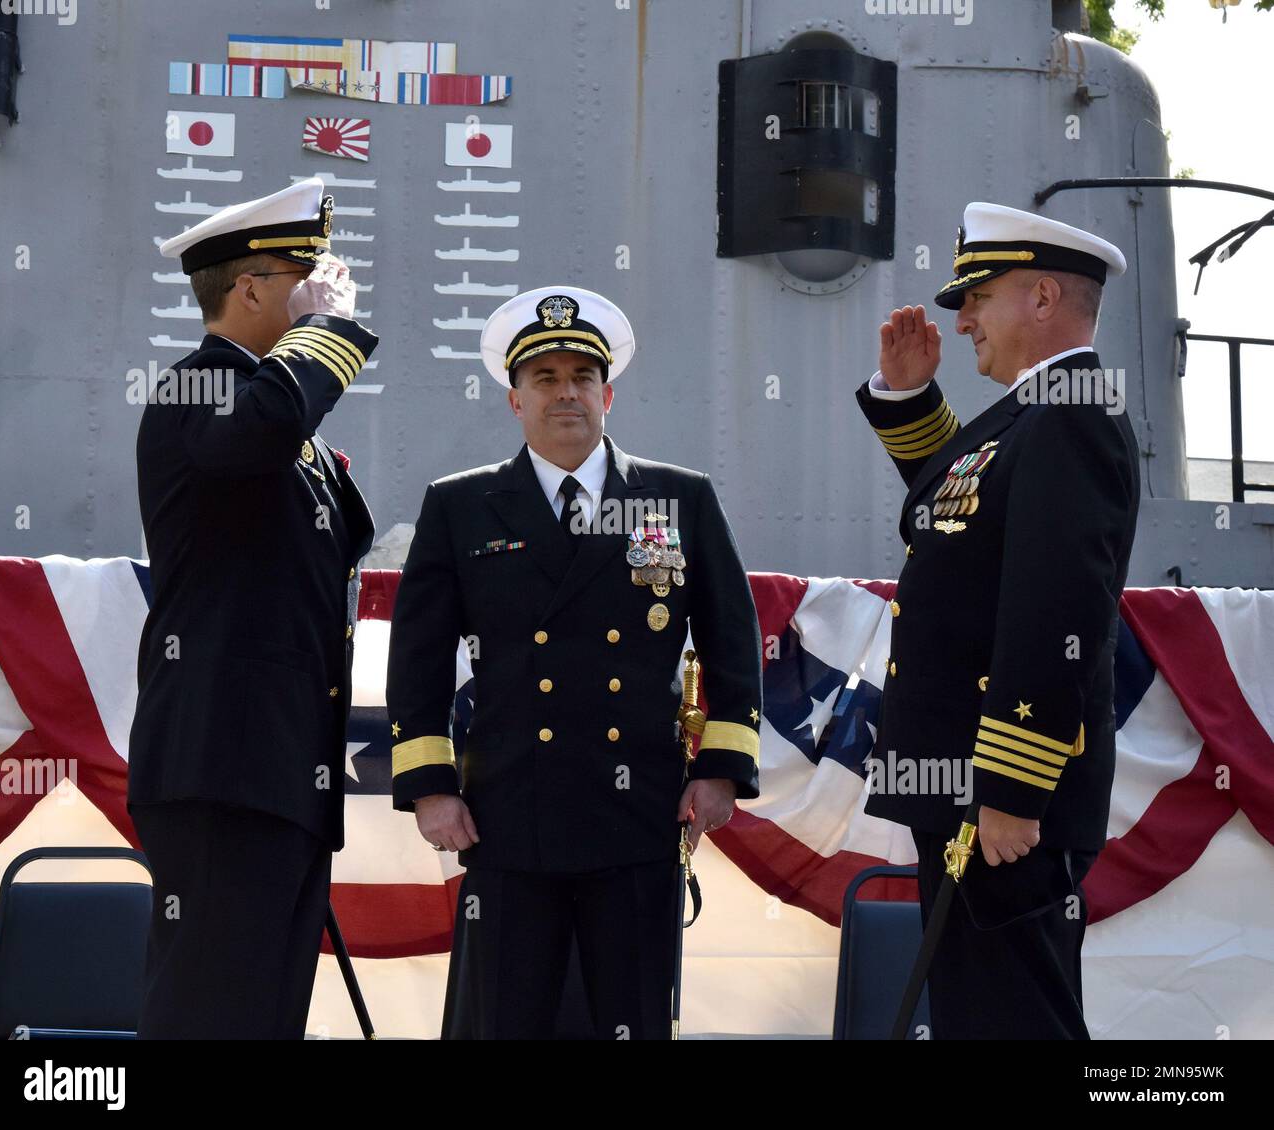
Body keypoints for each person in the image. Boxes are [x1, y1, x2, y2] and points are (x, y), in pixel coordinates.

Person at [386, 285, 762, 1039]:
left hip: (636, 816)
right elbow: (418, 661)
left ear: (608, 394)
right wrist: (429, 788)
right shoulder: (461, 507)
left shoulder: (677, 499)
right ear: (514, 402)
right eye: (546, 379)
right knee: (507, 1023)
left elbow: (733, 641)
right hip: (508, 818)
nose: (566, 394)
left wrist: (720, 770)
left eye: (581, 378)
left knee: (631, 1021)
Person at [855, 202, 1141, 1039]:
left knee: (1017, 1020)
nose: (964, 317)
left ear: (1043, 298)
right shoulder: (1036, 415)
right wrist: (910, 402)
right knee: (983, 1015)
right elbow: (962, 507)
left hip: (1001, 794)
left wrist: (1011, 788)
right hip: (959, 786)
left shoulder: (1072, 415)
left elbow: (1057, 611)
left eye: (976, 296)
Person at [127, 177, 377, 1038]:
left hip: (278, 775)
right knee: (207, 1011)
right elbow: (262, 429)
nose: (331, 286)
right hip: (221, 770)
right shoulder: (196, 391)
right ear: (252, 289)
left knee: (263, 1017)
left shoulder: (278, 419)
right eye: (308, 273)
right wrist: (329, 331)